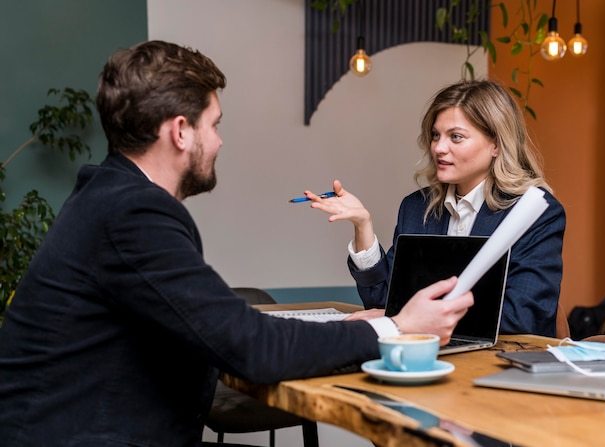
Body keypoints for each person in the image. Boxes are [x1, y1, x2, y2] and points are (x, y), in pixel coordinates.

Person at [0, 41, 474, 447]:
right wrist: (396, 327)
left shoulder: (106, 195)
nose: (220, 142)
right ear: (181, 131)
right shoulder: (133, 213)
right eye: (215, 124)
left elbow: (210, 321)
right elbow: (252, 348)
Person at [304, 79, 565, 337]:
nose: (439, 148)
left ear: (496, 144)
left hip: (505, 366)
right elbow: (382, 301)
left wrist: (403, 318)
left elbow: (522, 318)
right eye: (436, 135)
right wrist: (363, 225)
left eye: (456, 137)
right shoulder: (416, 207)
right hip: (432, 356)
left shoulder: (535, 213)